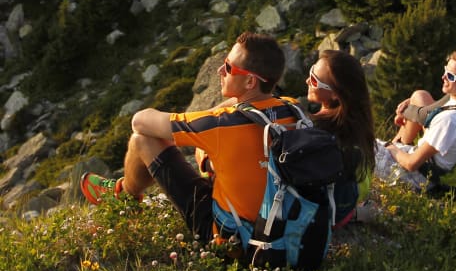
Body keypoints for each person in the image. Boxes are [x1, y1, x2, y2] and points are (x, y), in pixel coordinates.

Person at [80, 32, 298, 246]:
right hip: (287, 234)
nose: (220, 70)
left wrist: (204, 119)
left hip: (230, 240)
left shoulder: (220, 125)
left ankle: (123, 196)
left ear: (250, 81)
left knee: (142, 140)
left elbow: (139, 121)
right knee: (208, 151)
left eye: (229, 67)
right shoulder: (292, 108)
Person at [375, 50, 456, 191]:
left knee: (361, 148)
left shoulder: (450, 120)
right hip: (448, 174)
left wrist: (392, 148)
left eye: (451, 76)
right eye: (445, 70)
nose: (443, 77)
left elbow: (411, 164)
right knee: (371, 143)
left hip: (424, 178)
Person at [305, 49, 376, 226]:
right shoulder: (358, 124)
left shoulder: (313, 127)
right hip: (347, 203)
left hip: (325, 212)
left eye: (314, 80)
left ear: (335, 94)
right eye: (311, 71)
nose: (307, 80)